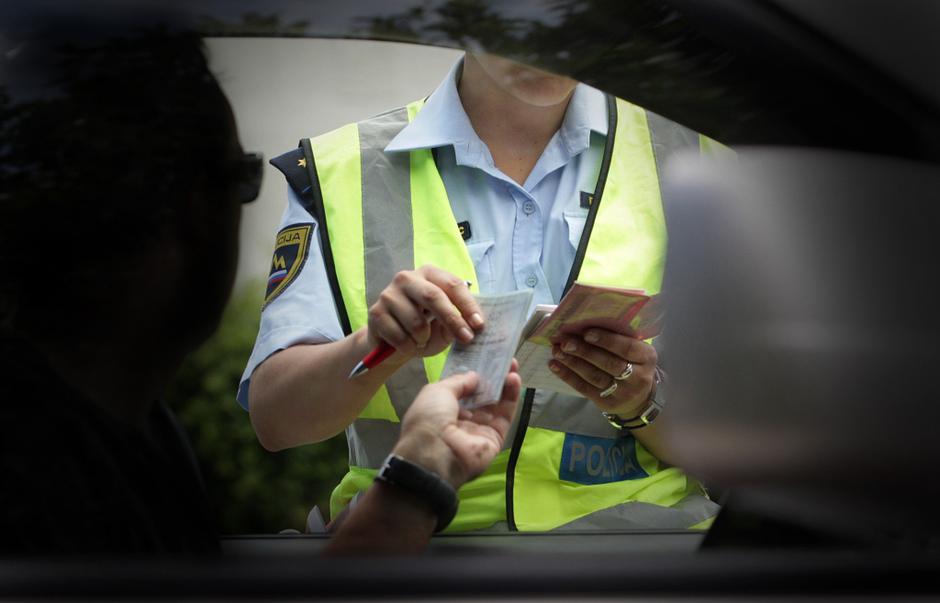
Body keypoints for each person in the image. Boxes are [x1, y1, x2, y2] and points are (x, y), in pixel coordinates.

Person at [0, 19, 518, 556]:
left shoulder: (120, 431)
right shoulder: (45, 469)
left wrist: (416, 478)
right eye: (243, 176)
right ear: (190, 211)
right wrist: (416, 473)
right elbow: (276, 419)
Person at [241, 52, 721, 532]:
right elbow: (276, 420)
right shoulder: (337, 170)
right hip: (414, 552)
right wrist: (375, 346)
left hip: (646, 557)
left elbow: (764, 446)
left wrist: (644, 402)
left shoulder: (699, 158)